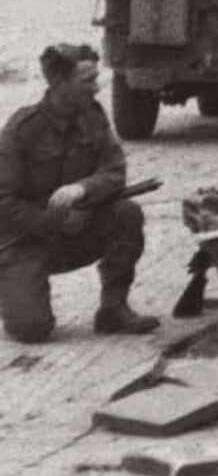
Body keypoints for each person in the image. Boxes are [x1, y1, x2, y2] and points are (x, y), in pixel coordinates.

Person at [0, 44, 158, 342]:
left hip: (76, 233)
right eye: (87, 81)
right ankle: (20, 286)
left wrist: (82, 189)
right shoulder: (22, 130)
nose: (97, 88)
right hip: (24, 243)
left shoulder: (93, 118)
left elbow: (115, 172)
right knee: (31, 330)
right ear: (60, 84)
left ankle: (113, 310)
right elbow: (3, 202)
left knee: (127, 213)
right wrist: (55, 221)